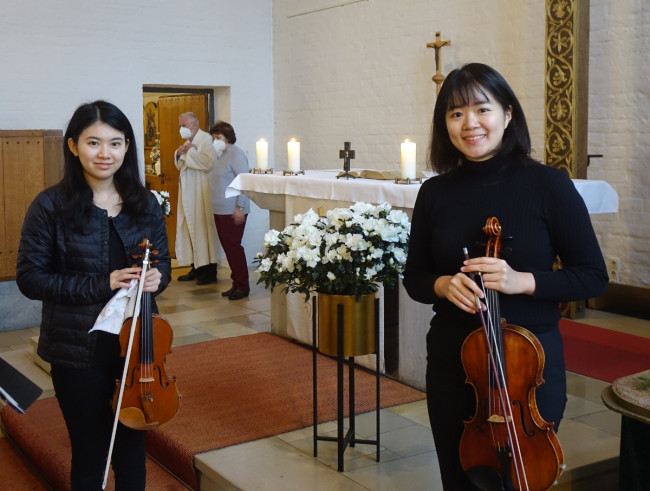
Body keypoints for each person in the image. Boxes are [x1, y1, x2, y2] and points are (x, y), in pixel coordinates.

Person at [402, 63, 608, 490]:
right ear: (444, 125)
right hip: (453, 363)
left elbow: (592, 277)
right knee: (458, 477)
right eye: (455, 114)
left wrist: (523, 281)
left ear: (508, 114)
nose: (470, 123)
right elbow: (415, 277)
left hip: (527, 369)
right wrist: (442, 284)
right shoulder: (435, 192)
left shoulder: (548, 184)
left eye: (482, 109)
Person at [16, 100, 171, 490]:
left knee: (134, 452)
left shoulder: (144, 201)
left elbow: (164, 263)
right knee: (90, 454)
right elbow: (30, 279)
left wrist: (158, 278)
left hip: (138, 351)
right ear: (73, 146)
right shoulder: (50, 206)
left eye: (116, 143)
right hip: (78, 351)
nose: (105, 154)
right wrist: (102, 283)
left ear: (127, 147)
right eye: (94, 143)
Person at [175, 111, 219, 284]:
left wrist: (190, 153)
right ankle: (195, 267)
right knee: (190, 229)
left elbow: (210, 163)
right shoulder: (189, 141)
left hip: (201, 193)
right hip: (189, 193)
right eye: (180, 126)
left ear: (193, 125)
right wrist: (179, 153)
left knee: (203, 231)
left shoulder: (206, 139)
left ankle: (208, 272)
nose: (181, 129)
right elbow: (182, 163)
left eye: (183, 125)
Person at [209, 121, 251, 300]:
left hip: (232, 210)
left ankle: (243, 286)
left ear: (227, 136)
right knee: (228, 248)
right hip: (220, 209)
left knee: (234, 248)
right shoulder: (223, 154)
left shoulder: (237, 154)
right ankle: (236, 284)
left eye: (218, 137)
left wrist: (240, 207)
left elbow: (244, 182)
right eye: (213, 138)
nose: (215, 140)